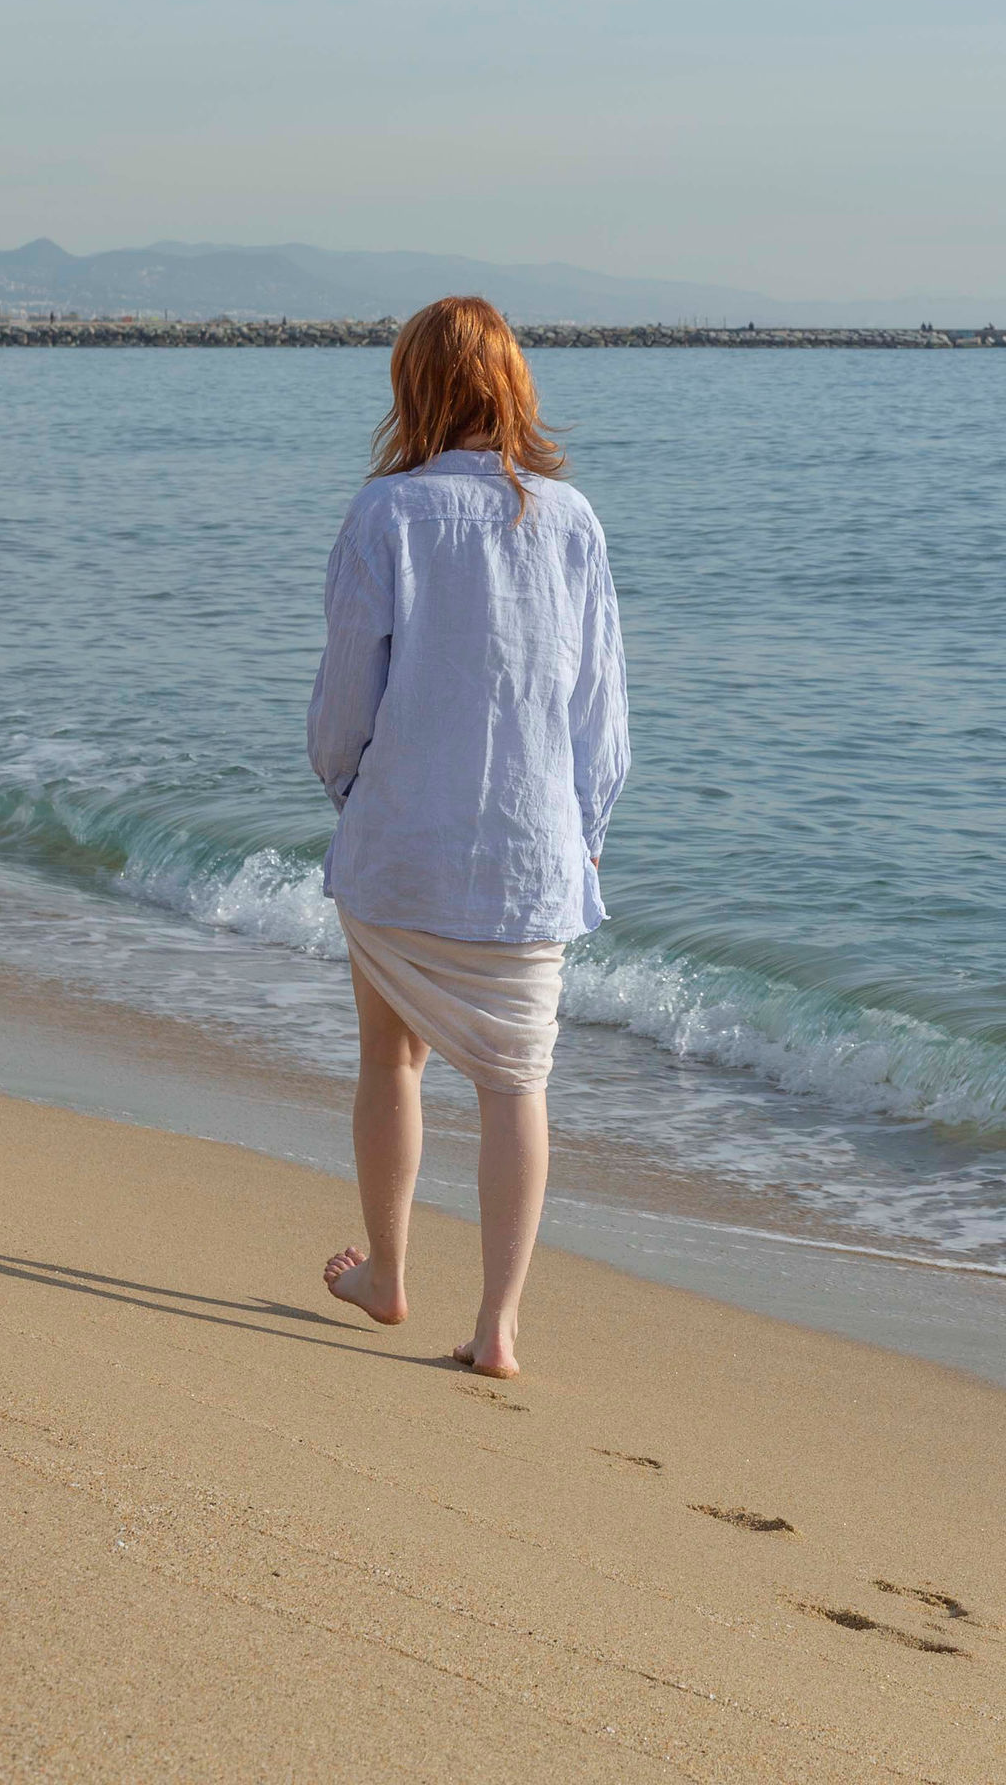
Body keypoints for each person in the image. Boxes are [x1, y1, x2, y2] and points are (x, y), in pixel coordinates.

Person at [305, 296, 627, 1378]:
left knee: (391, 1055)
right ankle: (498, 1327)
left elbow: (346, 702)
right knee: (514, 1080)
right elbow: (601, 718)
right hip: (531, 857)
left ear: (414, 390)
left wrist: (351, 790)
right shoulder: (571, 521)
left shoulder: (384, 516)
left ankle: (387, 1277)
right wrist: (584, 834)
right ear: (511, 387)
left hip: (402, 844)